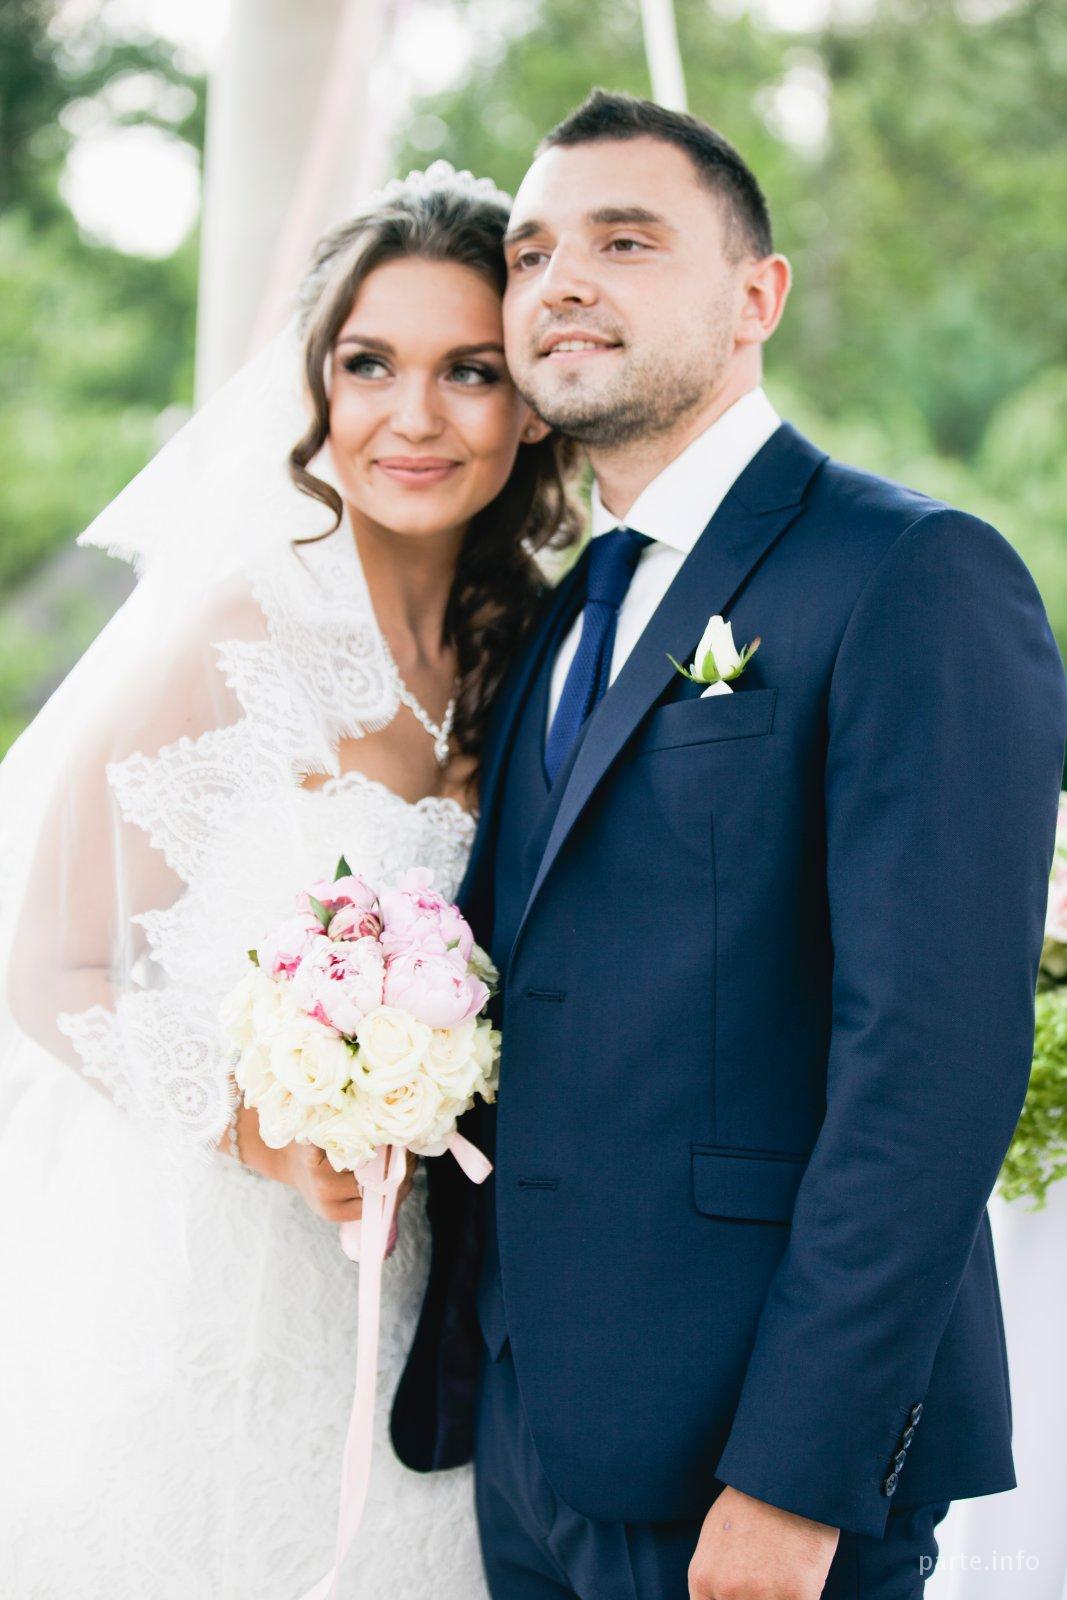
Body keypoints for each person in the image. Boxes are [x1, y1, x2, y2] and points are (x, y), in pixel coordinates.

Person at [392, 92, 1067, 1599]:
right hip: (531, 1435)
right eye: (531, 252)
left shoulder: (912, 573)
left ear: (758, 296)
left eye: (625, 242)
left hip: (749, 1471)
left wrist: (795, 1479)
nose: (561, 281)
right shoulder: (565, 615)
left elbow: (935, 1064)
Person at [0, 162, 580, 1599]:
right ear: (316, 383)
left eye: (470, 371)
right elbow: (43, 960)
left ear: (531, 403)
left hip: (443, 1309)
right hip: (218, 1279)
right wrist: (262, 1130)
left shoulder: (542, 652)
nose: (412, 416)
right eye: (369, 364)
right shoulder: (231, 636)